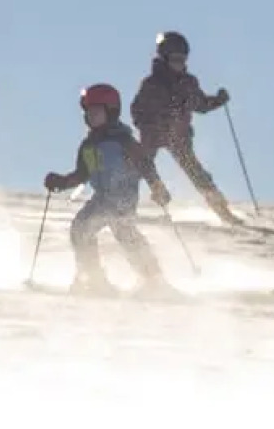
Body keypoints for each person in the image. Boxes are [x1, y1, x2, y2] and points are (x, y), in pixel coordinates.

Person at [43, 83, 173, 296]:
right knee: (87, 229)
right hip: (102, 198)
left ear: (111, 112)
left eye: (97, 112)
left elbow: (145, 165)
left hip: (122, 197)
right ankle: (96, 277)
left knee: (110, 230)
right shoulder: (89, 146)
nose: (91, 117)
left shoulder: (123, 141)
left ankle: (151, 279)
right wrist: (61, 182)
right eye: (89, 113)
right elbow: (83, 174)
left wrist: (157, 187)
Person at [128, 31, 241, 225]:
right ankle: (122, 207)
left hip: (179, 136)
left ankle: (223, 211)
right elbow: (137, 109)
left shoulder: (188, 83)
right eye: (175, 59)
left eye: (182, 59)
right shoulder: (152, 84)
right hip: (153, 134)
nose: (179, 64)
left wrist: (218, 100)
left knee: (196, 172)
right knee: (140, 167)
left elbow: (201, 104)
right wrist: (147, 125)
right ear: (164, 59)